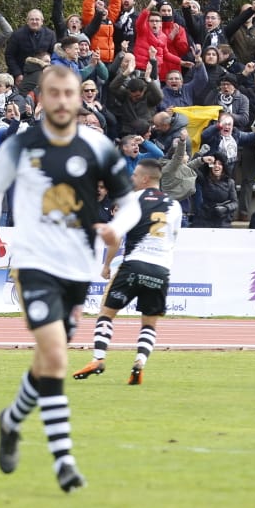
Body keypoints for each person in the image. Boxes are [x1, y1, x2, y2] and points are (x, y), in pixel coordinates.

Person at [0, 65, 140, 493]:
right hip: (33, 264)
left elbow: (131, 205)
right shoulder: (21, 144)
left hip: (78, 269)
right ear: (40, 98)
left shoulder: (97, 146)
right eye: (54, 93)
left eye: (70, 93)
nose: (63, 100)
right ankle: (64, 461)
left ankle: (11, 420)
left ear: (79, 97)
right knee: (56, 356)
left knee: (49, 358)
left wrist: (116, 228)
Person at [72, 159, 183, 385]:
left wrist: (106, 265)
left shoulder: (132, 201)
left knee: (106, 313)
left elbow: (116, 236)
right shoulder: (175, 205)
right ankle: (139, 362)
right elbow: (173, 237)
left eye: (134, 177)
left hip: (134, 263)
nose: (131, 180)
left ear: (144, 179)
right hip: (161, 268)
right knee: (149, 323)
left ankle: (98, 359)